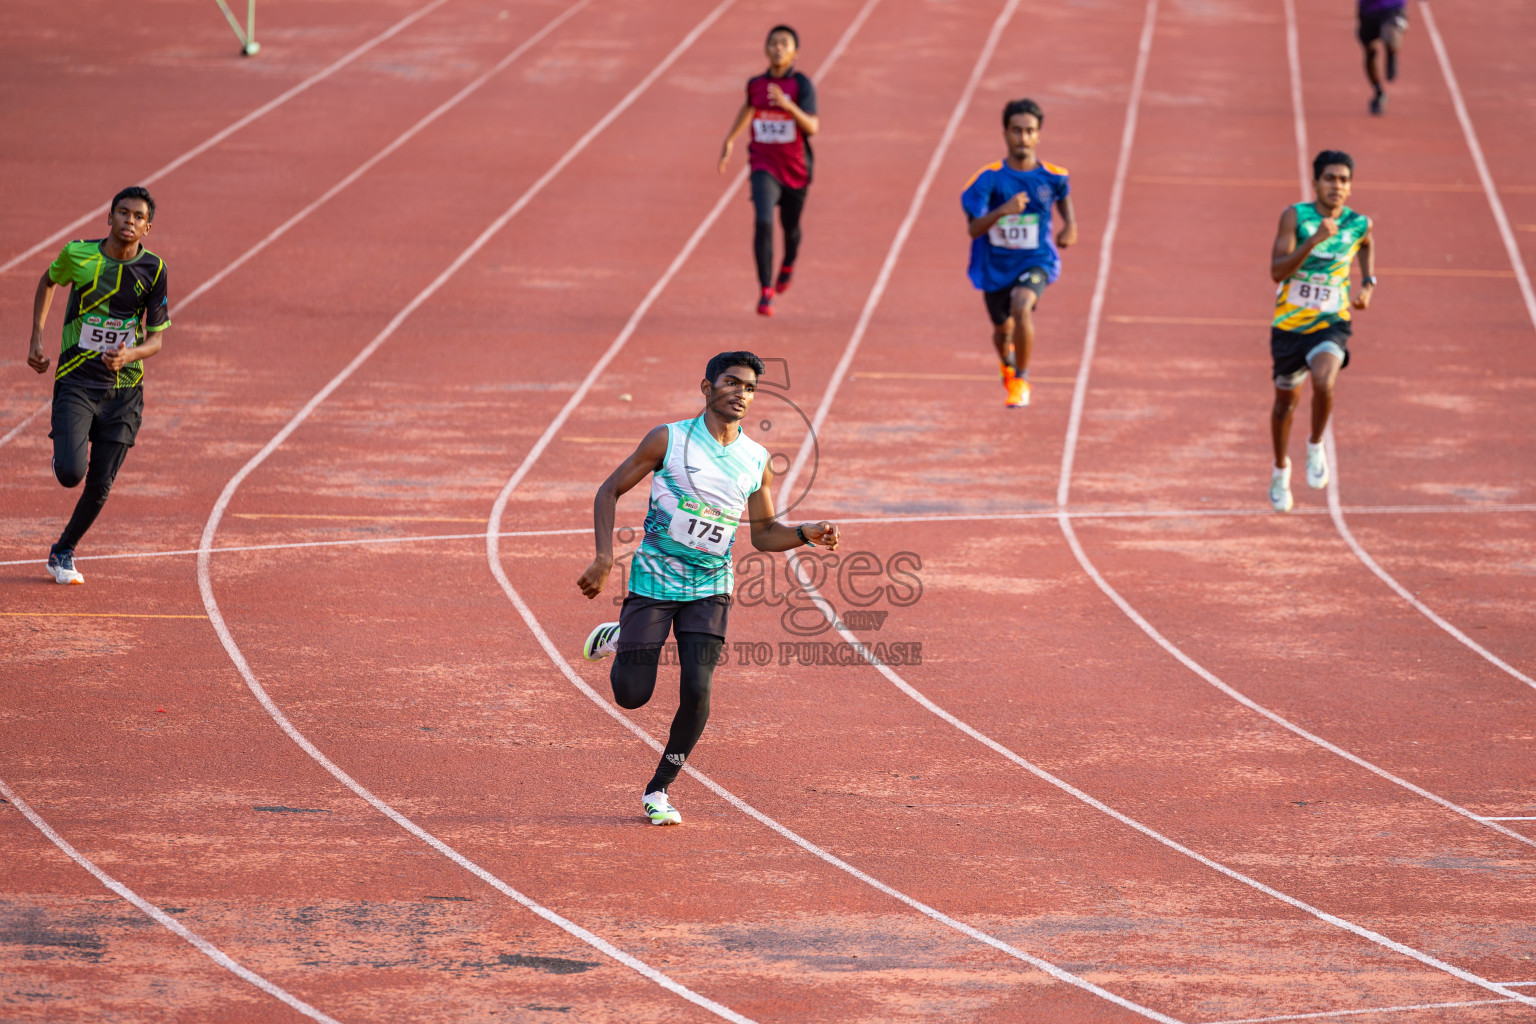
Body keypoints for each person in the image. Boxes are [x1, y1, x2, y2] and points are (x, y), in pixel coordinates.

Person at [576, 351, 839, 825]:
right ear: (707, 387)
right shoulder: (669, 439)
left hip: (710, 587)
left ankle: (659, 790)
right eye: (733, 383)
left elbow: (763, 535)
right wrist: (603, 556)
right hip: (654, 580)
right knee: (632, 696)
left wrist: (805, 532)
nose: (742, 394)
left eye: (751, 388)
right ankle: (619, 637)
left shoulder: (756, 460)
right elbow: (608, 490)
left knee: (698, 692)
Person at [26, 186, 171, 584]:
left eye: (138, 216)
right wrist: (37, 339)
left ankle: (63, 551)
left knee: (101, 483)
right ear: (109, 218)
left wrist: (130, 355)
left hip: (124, 391)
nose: (129, 221)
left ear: (148, 227)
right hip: (76, 380)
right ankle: (65, 450)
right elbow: (47, 282)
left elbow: (156, 339)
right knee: (72, 473)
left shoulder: (154, 270)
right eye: (122, 213)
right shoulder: (79, 255)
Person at [1267, 151, 1375, 512]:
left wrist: (1368, 284)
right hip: (1289, 327)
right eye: (1330, 178)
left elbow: (1366, 245)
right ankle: (1281, 469)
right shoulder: (1295, 217)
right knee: (1285, 404)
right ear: (1315, 183)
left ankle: (1316, 444)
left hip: (1331, 323)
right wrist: (1311, 241)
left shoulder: (1359, 224)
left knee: (1324, 382)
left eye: (1344, 179)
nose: (1337, 185)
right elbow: (1277, 272)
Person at [961, 98, 1076, 408]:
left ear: (1038, 135)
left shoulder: (1052, 175)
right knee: (1002, 332)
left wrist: (1070, 226)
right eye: (1016, 131)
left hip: (1036, 259)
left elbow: (1062, 195)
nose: (1022, 138)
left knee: (1021, 306)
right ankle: (1007, 360)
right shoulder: (988, 179)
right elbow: (974, 229)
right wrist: (1004, 211)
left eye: (1029, 131)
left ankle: (1021, 380)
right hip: (994, 266)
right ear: (1005, 133)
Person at [718, 26, 819, 317]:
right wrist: (730, 139)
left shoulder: (801, 86)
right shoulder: (756, 84)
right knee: (763, 220)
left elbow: (813, 127)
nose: (777, 48)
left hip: (796, 170)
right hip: (763, 164)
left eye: (783, 44)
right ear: (766, 49)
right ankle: (765, 290)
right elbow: (748, 108)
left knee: (791, 228)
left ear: (794, 53)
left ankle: (788, 262)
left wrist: (788, 105)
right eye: (772, 43)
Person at [1358, 0, 1408, 116]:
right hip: (1367, 8)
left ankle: (1391, 54)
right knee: (1370, 51)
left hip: (1392, 6)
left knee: (1391, 37)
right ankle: (1379, 91)